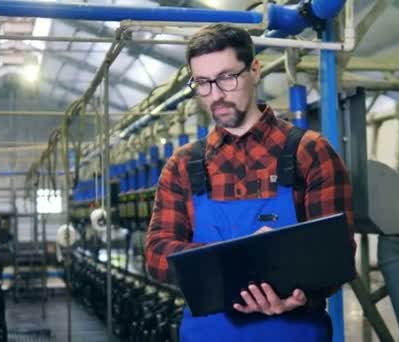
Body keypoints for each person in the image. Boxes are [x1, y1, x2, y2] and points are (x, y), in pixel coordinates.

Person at [145, 23, 355, 342]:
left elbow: (335, 256)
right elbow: (157, 254)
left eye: (227, 77)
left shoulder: (310, 153)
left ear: (254, 70)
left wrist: (295, 296)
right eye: (202, 83)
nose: (216, 95)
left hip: (294, 330)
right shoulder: (183, 166)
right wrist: (243, 263)